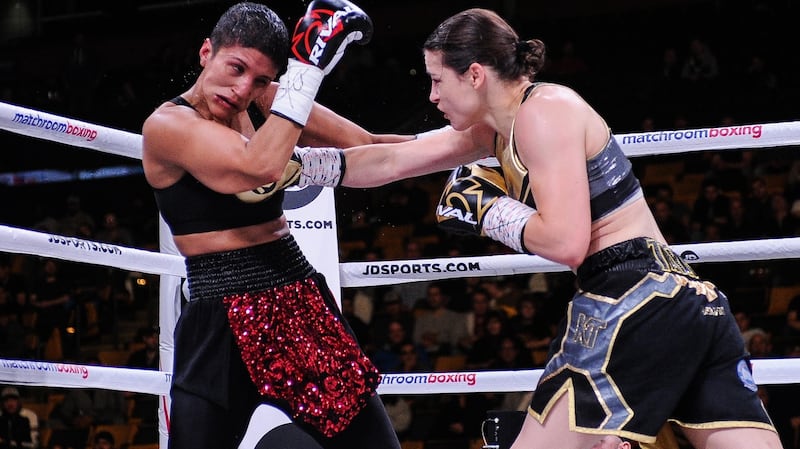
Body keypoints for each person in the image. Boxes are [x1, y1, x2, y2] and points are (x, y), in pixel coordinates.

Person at [282, 7, 781, 448]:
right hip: (685, 302)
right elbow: (388, 157)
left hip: (632, 299)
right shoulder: (500, 126)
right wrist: (288, 142)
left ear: (474, 74)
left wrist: (487, 209)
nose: (431, 94)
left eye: (437, 80)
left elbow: (566, 242)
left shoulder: (544, 113)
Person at [140, 2, 410, 449]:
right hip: (218, 312)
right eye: (236, 68)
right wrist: (307, 72)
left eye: (262, 80)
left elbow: (365, 147)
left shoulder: (269, 99)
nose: (243, 88)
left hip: (294, 297)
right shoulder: (167, 125)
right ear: (206, 52)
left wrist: (477, 144)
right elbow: (259, 165)